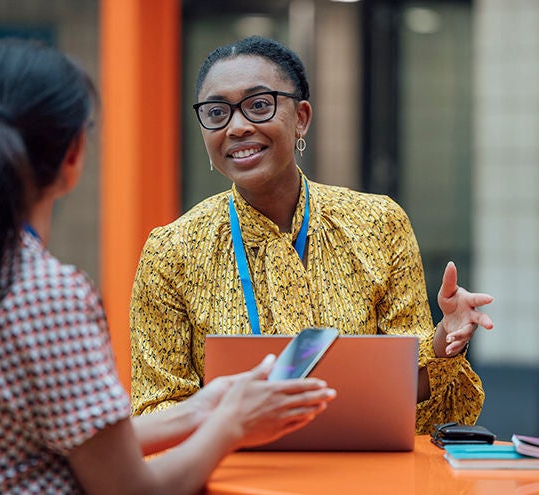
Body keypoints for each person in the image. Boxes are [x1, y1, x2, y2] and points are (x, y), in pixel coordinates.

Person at [0, 38, 338, 494]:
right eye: (218, 112)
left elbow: (77, 440)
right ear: (75, 154)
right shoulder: (51, 295)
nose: (238, 127)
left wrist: (208, 408)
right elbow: (131, 489)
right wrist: (232, 426)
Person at [129, 35, 494, 434]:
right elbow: (156, 409)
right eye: (217, 112)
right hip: (234, 477)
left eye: (258, 105)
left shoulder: (378, 224)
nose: (237, 127)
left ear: (301, 117)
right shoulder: (172, 251)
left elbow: (410, 399)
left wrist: (443, 342)